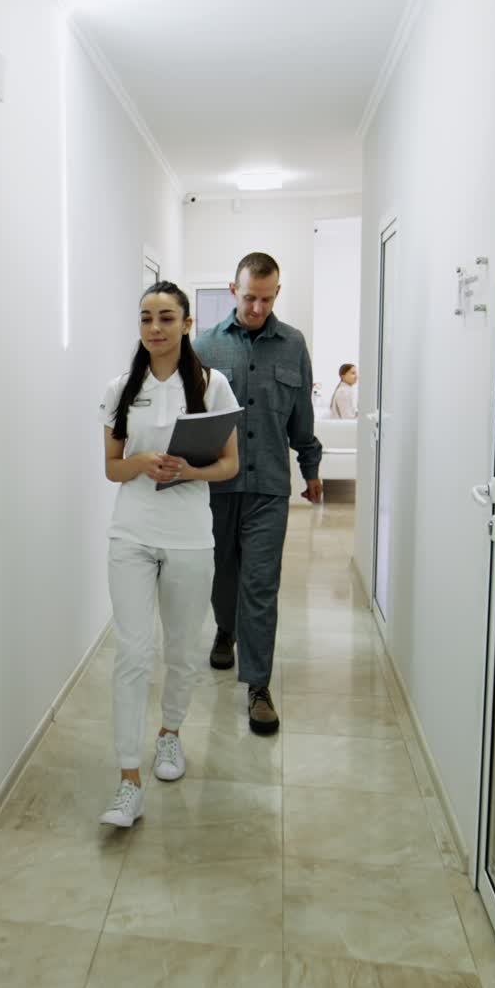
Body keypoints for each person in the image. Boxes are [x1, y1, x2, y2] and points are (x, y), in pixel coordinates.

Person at [97, 282, 241, 827]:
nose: (154, 328)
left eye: (166, 318)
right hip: (130, 534)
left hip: (188, 536)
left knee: (181, 649)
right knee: (132, 653)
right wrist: (142, 463)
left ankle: (170, 735)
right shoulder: (120, 388)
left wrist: (189, 470)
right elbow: (112, 466)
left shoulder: (211, 384)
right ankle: (127, 778)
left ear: (186, 324)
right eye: (145, 318)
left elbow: (229, 463)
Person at [193, 252, 322, 736]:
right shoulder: (203, 346)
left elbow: (300, 419)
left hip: (269, 485)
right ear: (233, 290)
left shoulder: (293, 345)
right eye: (249, 297)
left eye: (267, 299)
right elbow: (190, 419)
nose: (257, 308)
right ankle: (225, 629)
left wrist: (311, 468)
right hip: (216, 487)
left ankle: (258, 686)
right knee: (222, 574)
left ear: (277, 294)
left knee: (261, 583)